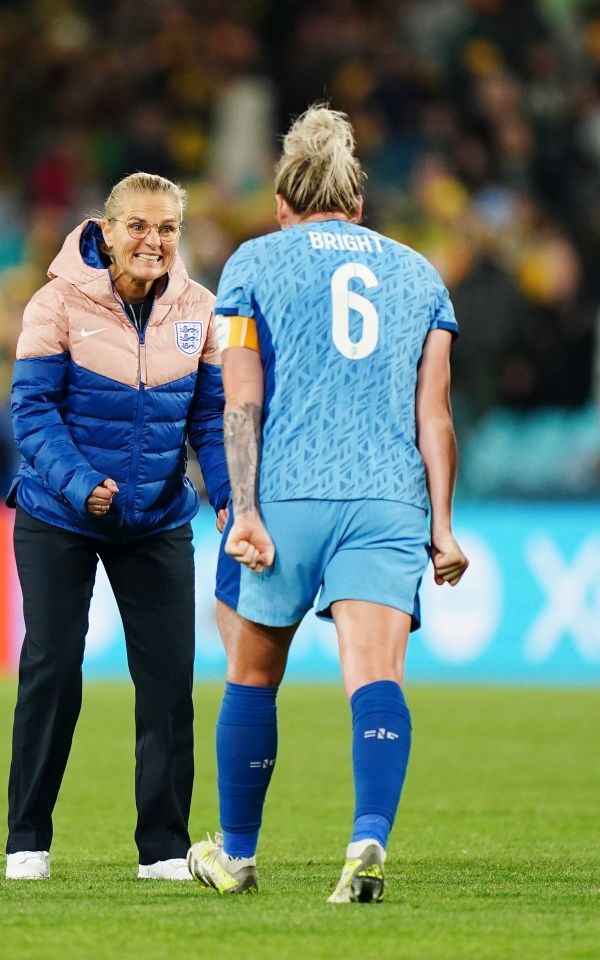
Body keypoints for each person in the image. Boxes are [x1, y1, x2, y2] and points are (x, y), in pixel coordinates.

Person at [187, 105, 468, 902]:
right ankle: (366, 840)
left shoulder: (252, 264)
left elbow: (238, 398)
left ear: (282, 203)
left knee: (251, 676)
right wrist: (442, 528)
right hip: (387, 500)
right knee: (375, 676)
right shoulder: (419, 274)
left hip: (284, 496)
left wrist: (240, 507)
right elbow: (435, 414)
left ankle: (236, 854)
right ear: (357, 201)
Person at [5, 172, 230, 881]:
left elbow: (212, 420)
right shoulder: (55, 302)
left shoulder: (200, 308)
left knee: (168, 681)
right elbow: (31, 412)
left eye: (166, 228)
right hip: (57, 514)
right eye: (137, 226)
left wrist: (230, 499)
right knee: (53, 667)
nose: (152, 241)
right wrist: (80, 483)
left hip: (156, 519)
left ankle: (163, 847)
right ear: (105, 231)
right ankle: (27, 841)